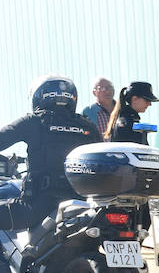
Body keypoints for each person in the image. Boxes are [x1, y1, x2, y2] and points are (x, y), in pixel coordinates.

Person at [0, 76, 100, 238]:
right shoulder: (87, 125)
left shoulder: (34, 121)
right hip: (80, 203)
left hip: (38, 206)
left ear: (40, 95)